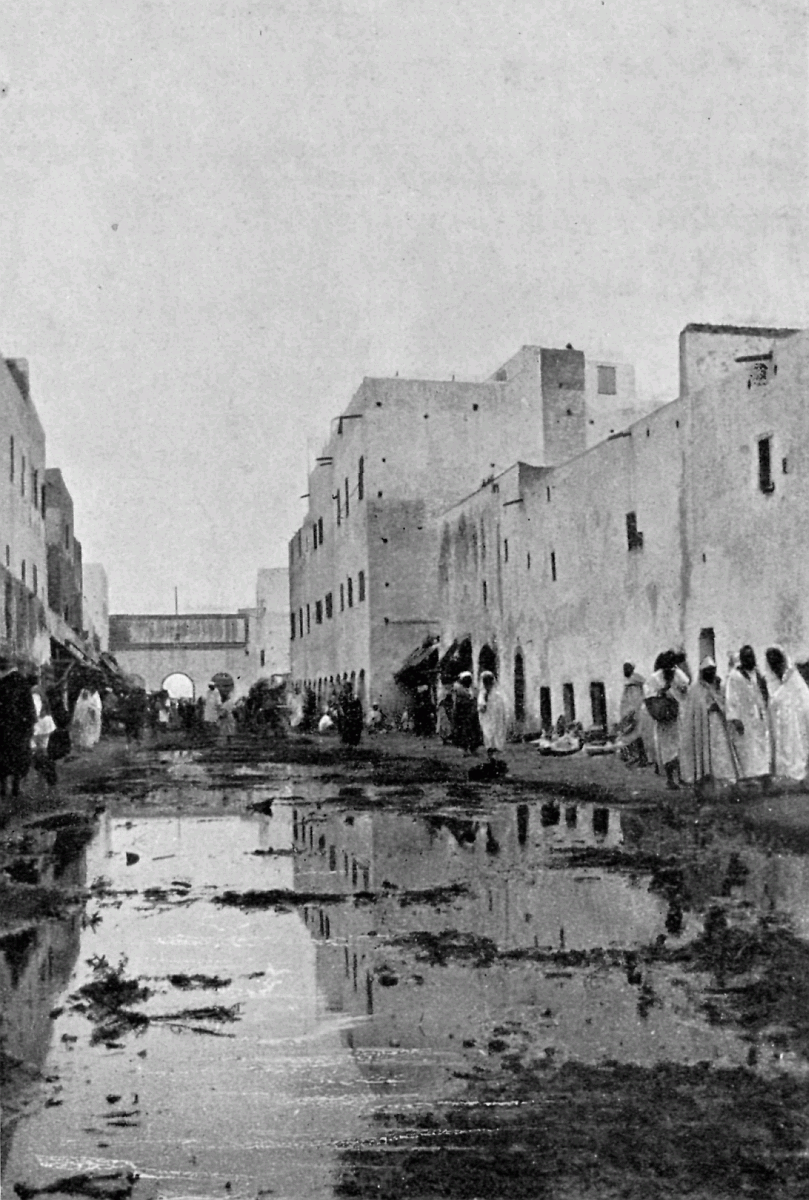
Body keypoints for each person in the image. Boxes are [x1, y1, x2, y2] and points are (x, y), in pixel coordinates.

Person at [679, 657, 739, 794]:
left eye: (712, 670)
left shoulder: (719, 686)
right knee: (704, 755)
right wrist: (707, 708)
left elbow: (726, 703)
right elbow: (693, 710)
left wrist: (718, 704)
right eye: (707, 670)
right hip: (702, 727)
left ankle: (723, 787)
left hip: (718, 725)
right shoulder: (695, 689)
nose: (710, 673)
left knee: (720, 755)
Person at [644, 650, 690, 789]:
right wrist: (662, 692)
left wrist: (681, 690)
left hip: (678, 716)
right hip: (664, 719)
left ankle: (682, 777)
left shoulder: (678, 674)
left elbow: (686, 686)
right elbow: (649, 695)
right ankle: (670, 779)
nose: (670, 670)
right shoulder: (655, 678)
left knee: (681, 747)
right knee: (667, 749)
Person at [725, 645, 771, 782]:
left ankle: (763, 776)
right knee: (748, 749)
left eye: (751, 656)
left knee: (761, 748)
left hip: (759, 718)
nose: (750, 659)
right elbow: (730, 698)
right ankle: (749, 778)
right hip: (743, 719)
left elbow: (764, 695)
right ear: (742, 659)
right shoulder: (734, 676)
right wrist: (735, 718)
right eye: (746, 657)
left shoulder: (757, 675)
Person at [765, 646, 809, 783]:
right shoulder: (772, 681)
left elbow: (804, 702)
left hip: (795, 724)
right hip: (780, 724)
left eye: (777, 661)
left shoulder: (793, 679)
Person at [0, 651, 37, 802]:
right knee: (17, 757)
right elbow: (30, 710)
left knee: (5, 757)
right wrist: (29, 726)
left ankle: (5, 787)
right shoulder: (21, 682)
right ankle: (15, 786)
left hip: (7, 728)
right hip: (18, 728)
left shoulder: (6, 683)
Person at [617, 661, 649, 766]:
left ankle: (640, 757)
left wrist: (632, 712)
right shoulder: (629, 683)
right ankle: (635, 757)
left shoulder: (634, 684)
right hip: (628, 713)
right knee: (631, 735)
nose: (625, 671)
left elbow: (636, 700)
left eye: (627, 668)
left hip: (634, 712)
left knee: (636, 734)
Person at [477, 670, 507, 763]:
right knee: (488, 733)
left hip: (496, 718)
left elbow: (501, 707)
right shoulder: (482, 693)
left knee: (496, 733)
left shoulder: (497, 694)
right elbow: (481, 707)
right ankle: (490, 752)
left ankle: (495, 753)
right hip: (486, 717)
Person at [451, 672, 482, 756]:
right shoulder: (458, 689)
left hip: (472, 714)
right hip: (462, 714)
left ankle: (473, 749)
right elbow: (457, 703)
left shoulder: (473, 689)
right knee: (462, 732)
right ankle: (463, 750)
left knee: (473, 732)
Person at [337, 682, 363, 747]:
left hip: (352, 716)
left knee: (353, 730)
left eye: (346, 687)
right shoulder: (342, 696)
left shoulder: (354, 696)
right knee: (345, 730)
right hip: (345, 716)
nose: (345, 689)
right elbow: (340, 705)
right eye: (344, 687)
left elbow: (358, 706)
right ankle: (346, 742)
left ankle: (352, 743)